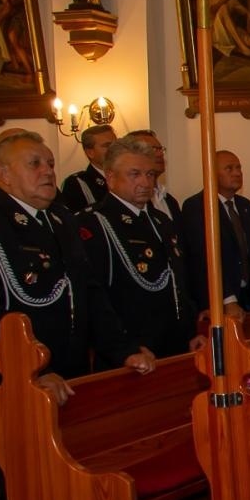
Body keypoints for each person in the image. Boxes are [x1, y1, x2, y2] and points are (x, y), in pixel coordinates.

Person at [0, 130, 154, 500]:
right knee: (20, 487)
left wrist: (124, 348)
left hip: (68, 375)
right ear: (3, 175)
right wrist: (30, 372)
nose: (47, 172)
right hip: (11, 384)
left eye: (50, 163)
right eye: (34, 164)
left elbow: (90, 294)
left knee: (66, 481)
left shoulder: (60, 219)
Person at [78, 134, 200, 361]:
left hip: (176, 346)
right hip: (133, 353)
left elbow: (178, 282)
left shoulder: (161, 221)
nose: (145, 182)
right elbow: (95, 298)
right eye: (134, 174)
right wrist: (123, 349)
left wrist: (191, 331)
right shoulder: (95, 224)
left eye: (150, 174)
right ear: (111, 178)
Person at [182, 150, 250, 313]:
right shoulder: (197, 206)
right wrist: (228, 300)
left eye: (239, 168)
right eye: (229, 168)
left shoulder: (246, 206)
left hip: (248, 298)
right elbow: (203, 256)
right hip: (218, 302)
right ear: (212, 173)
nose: (237, 173)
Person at [124, 129, 181, 220]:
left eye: (160, 149)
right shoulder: (130, 199)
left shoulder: (170, 201)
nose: (160, 154)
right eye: (153, 149)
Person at [59, 122, 116, 211]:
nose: (115, 149)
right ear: (90, 153)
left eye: (116, 144)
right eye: (107, 145)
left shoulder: (128, 176)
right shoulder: (77, 183)